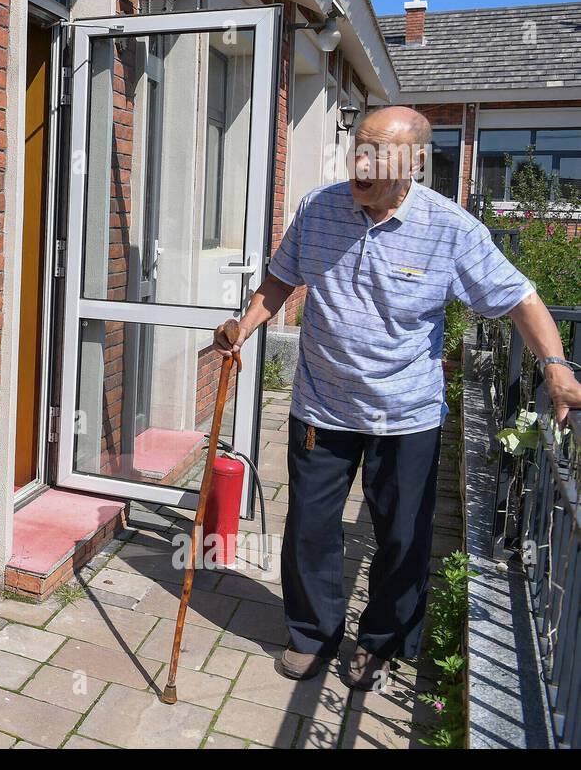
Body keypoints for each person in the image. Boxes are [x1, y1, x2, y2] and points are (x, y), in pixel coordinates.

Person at [214, 105, 581, 687]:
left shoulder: (451, 229)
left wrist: (556, 367)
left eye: (377, 154)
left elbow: (520, 297)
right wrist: (245, 323)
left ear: (412, 165)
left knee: (404, 535)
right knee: (310, 528)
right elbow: (283, 278)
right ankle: (313, 633)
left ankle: (381, 643)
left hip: (406, 413)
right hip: (322, 404)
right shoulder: (318, 207)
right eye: (358, 147)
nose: (360, 162)